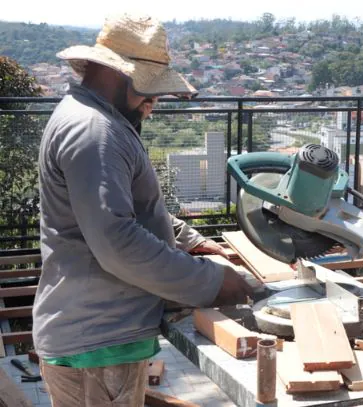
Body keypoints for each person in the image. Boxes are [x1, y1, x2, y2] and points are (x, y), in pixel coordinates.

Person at [35, 13, 253, 406]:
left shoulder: (95, 120)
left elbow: (128, 210)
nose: (154, 102)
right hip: (96, 342)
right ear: (120, 75)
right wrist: (211, 282)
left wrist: (193, 242)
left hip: (98, 337)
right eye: (150, 90)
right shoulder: (95, 132)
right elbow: (117, 241)